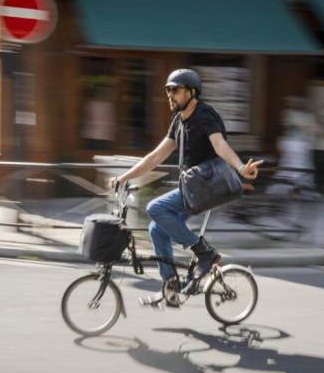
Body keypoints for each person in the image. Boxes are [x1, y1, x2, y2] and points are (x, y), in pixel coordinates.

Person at [110, 69, 263, 305]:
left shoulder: (205, 115)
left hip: (208, 185)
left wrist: (241, 167)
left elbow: (220, 145)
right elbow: (155, 157)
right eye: (168, 90)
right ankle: (171, 287)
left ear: (192, 93)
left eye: (176, 90)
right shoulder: (179, 122)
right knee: (156, 229)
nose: (170, 95)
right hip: (193, 187)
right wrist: (124, 178)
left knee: (155, 208)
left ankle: (204, 251)